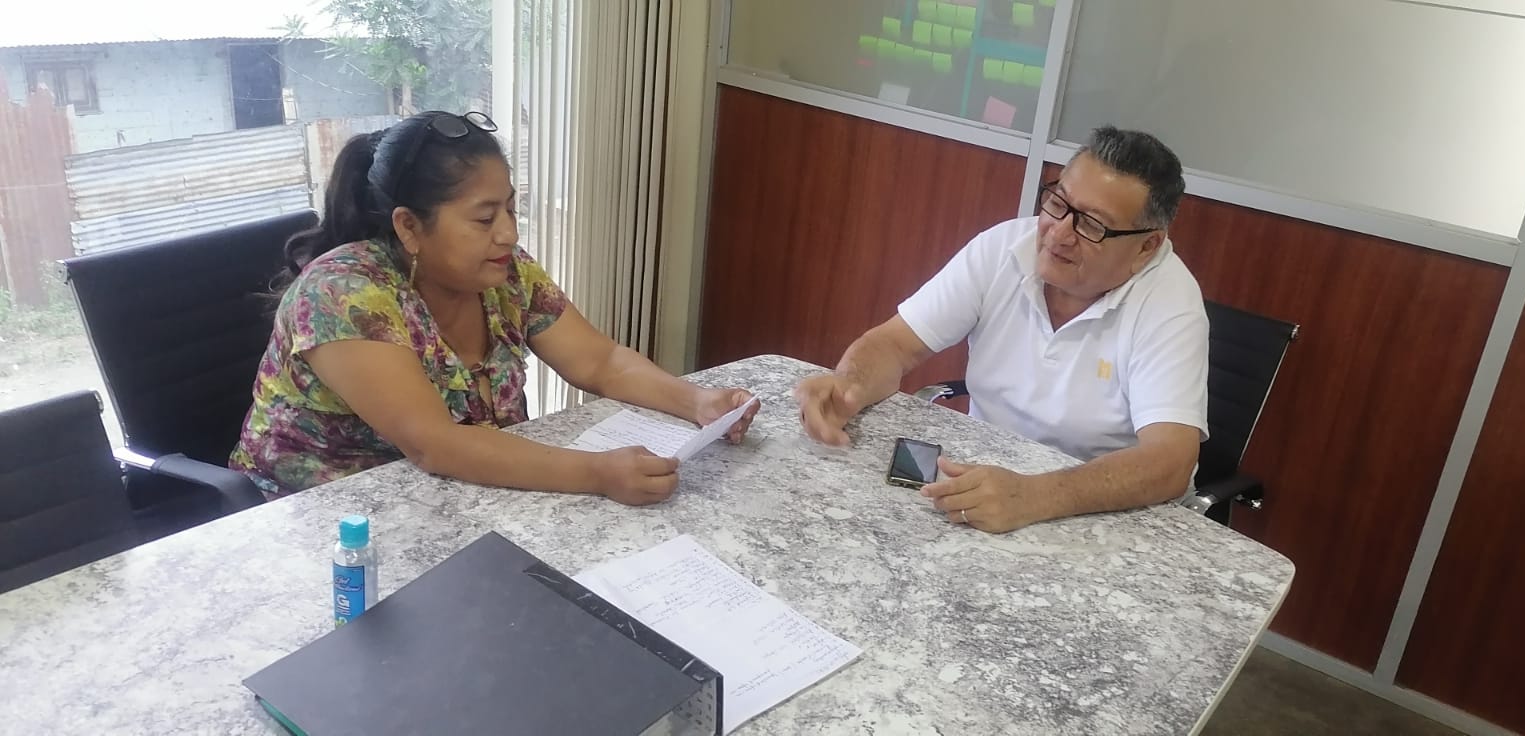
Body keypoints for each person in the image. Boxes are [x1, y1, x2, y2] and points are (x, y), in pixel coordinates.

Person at [230, 110, 758, 504]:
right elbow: (436, 445)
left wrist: (698, 402)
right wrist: (597, 473)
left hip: (460, 499)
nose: (508, 233)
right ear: (408, 226)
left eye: (510, 209)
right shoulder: (343, 293)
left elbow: (601, 363)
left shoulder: (504, 273)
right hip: (319, 525)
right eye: (484, 219)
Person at [794, 126, 1207, 533]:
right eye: (1058, 203)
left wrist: (1035, 496)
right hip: (990, 485)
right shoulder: (1004, 248)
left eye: (1092, 226)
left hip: (1105, 513)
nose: (1059, 233)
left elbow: (1169, 461)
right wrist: (848, 387)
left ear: (1146, 246)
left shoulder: (1170, 303)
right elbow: (895, 344)